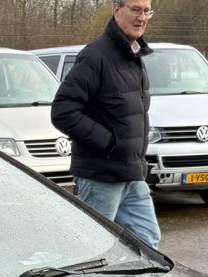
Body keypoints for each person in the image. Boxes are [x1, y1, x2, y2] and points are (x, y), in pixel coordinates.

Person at [51, 0, 161, 248]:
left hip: (132, 174)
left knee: (147, 243)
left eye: (147, 11)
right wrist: (109, 143)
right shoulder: (95, 56)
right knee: (93, 248)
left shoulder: (134, 56)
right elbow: (63, 111)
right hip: (100, 177)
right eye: (135, 9)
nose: (142, 17)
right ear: (116, 10)